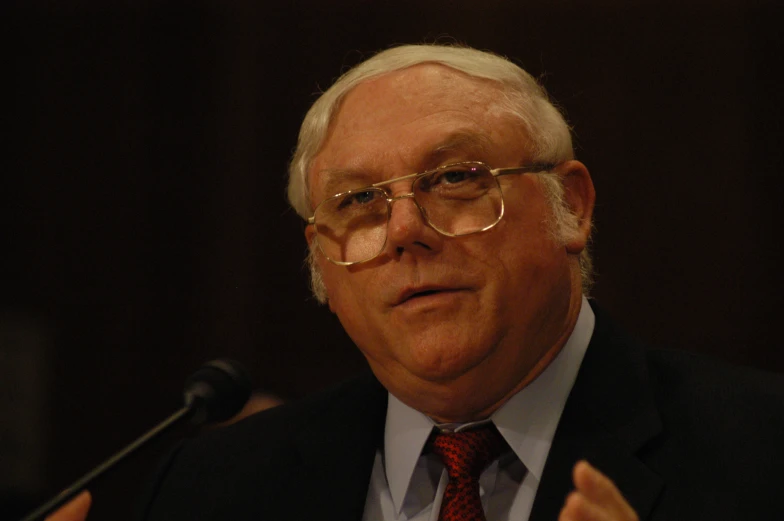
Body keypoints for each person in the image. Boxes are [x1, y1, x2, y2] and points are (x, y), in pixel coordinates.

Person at [51, 44, 783, 521]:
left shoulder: (759, 451)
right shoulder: (211, 492)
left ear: (573, 207)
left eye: (457, 178)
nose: (405, 229)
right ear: (321, 261)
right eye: (359, 201)